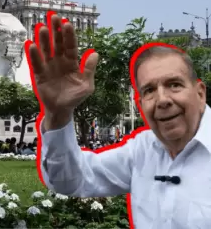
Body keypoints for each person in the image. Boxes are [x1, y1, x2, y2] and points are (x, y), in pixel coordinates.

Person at [29, 15, 211, 228]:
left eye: (174, 85)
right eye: (149, 90)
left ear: (200, 94)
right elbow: (70, 180)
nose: (162, 100)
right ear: (140, 103)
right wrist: (58, 113)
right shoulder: (141, 150)